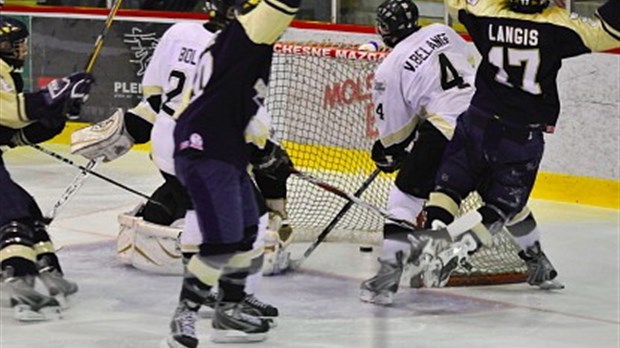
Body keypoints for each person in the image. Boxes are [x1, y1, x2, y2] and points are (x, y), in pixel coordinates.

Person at [70, 0, 290, 321]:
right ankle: (233, 298)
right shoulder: (240, 50)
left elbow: (156, 94)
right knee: (247, 218)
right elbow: (246, 118)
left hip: (168, 136)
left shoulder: (178, 32)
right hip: (204, 143)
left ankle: (212, 296)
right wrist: (268, 167)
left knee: (195, 207)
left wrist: (137, 127)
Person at [359, 0, 568, 306]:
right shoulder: (442, 30)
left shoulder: (389, 68)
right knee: (506, 202)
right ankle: (539, 264)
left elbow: (395, 133)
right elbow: (469, 64)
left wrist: (388, 152)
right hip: (483, 118)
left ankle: (388, 277)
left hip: (445, 130)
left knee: (405, 197)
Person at [413, 0, 620, 288]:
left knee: (448, 187)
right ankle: (458, 248)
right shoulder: (558, 26)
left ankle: (439, 236)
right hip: (519, 138)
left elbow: (455, 3)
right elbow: (610, 31)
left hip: (477, 124)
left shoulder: (485, 12)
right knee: (503, 206)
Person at [165, 0, 301, 346]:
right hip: (205, 148)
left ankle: (231, 306)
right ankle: (185, 316)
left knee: (246, 226)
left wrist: (259, 150)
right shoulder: (247, 31)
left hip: (221, 146)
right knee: (222, 241)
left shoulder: (235, 40)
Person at [0, 16, 93, 321]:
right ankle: (20, 282)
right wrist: (56, 92)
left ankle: (48, 269)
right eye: (15, 44)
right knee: (12, 212)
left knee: (27, 208)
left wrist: (54, 118)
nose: (21, 49)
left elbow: (12, 133)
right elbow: (12, 113)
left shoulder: (7, 75)